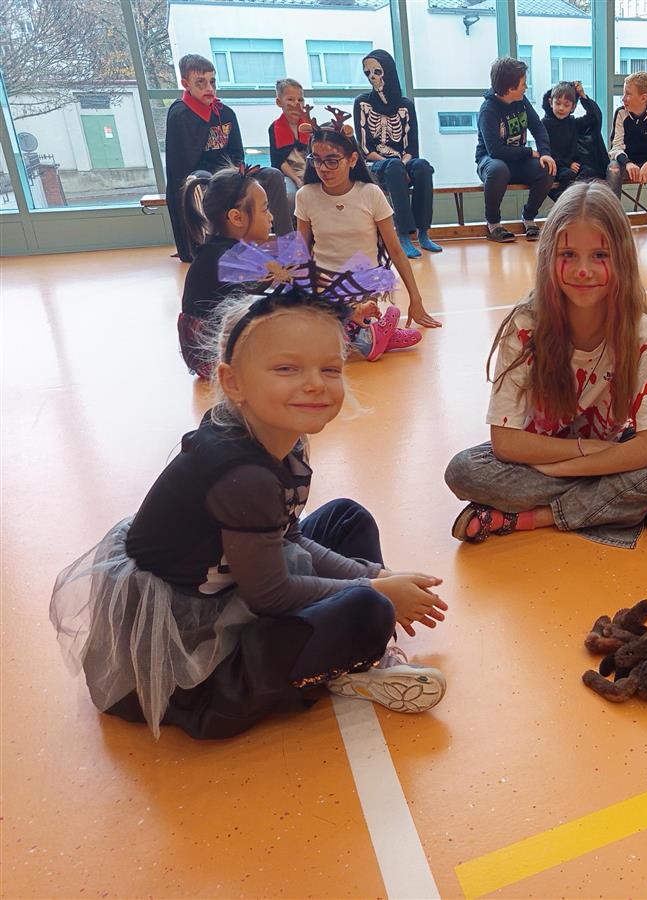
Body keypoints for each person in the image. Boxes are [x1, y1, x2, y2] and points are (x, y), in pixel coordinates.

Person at [49, 291, 450, 740]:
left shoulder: (282, 433)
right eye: (287, 369)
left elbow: (288, 537)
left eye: (330, 369)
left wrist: (374, 573)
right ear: (233, 382)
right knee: (368, 606)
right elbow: (271, 595)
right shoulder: (242, 473)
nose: (315, 384)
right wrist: (373, 589)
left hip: (235, 582)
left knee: (346, 519)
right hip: (192, 649)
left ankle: (351, 645)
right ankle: (344, 659)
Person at [444, 182, 647, 546]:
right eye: (568, 254)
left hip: (592, 456)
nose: (583, 270)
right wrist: (591, 454)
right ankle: (628, 504)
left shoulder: (641, 332)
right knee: (464, 471)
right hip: (564, 455)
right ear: (548, 258)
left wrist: (572, 468)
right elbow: (506, 442)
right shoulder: (525, 326)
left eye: (600, 255)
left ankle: (534, 517)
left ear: (622, 259)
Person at [294, 125, 441, 360]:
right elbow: (300, 253)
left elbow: (396, 251)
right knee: (314, 326)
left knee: (348, 319)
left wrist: (416, 299)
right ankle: (377, 334)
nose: (323, 168)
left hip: (363, 285)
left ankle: (366, 331)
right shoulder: (305, 195)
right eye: (317, 160)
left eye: (332, 161)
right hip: (325, 286)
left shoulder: (371, 193)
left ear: (352, 159)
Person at [165, 54, 292, 262]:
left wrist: (235, 175)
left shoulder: (226, 113)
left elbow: (237, 154)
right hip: (202, 179)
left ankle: (286, 244)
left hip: (229, 174)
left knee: (273, 175)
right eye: (201, 82)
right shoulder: (180, 115)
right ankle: (210, 251)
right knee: (200, 180)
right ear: (186, 84)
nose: (209, 88)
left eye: (212, 82)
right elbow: (181, 166)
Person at [178, 167, 274, 379]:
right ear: (237, 218)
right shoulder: (229, 257)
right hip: (212, 352)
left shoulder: (220, 249)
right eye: (265, 209)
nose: (271, 217)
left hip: (207, 345)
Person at [354, 49, 441, 259]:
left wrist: (403, 162)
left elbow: (412, 148)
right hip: (376, 164)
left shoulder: (405, 106)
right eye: (367, 73)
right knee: (393, 167)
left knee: (423, 167)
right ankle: (403, 235)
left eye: (377, 72)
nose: (372, 77)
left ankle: (423, 232)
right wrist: (394, 163)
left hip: (402, 161)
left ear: (388, 72)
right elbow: (365, 149)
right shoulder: (362, 103)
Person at [475, 57, 555, 243]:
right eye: (523, 84)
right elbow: (495, 151)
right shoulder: (488, 110)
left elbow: (538, 127)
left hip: (516, 161)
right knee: (498, 169)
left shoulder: (522, 101)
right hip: (491, 161)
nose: (526, 87)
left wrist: (545, 153)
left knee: (547, 168)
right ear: (510, 88)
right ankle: (493, 224)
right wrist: (529, 152)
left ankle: (528, 217)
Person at [606, 71, 647, 241]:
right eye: (624, 93)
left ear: (643, 98)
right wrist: (627, 163)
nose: (623, 98)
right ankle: (612, 224)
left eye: (628, 94)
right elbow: (615, 147)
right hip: (627, 164)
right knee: (612, 168)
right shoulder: (620, 113)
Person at [541, 81, 604, 200]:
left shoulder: (573, 123)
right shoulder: (544, 124)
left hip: (573, 164)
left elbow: (594, 117)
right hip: (555, 165)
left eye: (566, 105)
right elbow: (546, 150)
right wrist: (568, 164)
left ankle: (579, 201)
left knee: (590, 172)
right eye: (557, 103)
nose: (561, 108)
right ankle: (565, 203)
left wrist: (582, 95)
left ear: (573, 107)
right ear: (550, 102)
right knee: (568, 175)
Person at [268, 78, 312, 216]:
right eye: (290, 99)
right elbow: (279, 161)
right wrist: (297, 180)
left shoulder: (309, 125)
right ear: (279, 102)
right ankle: (292, 227)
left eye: (300, 100)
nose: (296, 104)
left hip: (310, 172)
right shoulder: (275, 128)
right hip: (289, 174)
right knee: (290, 196)